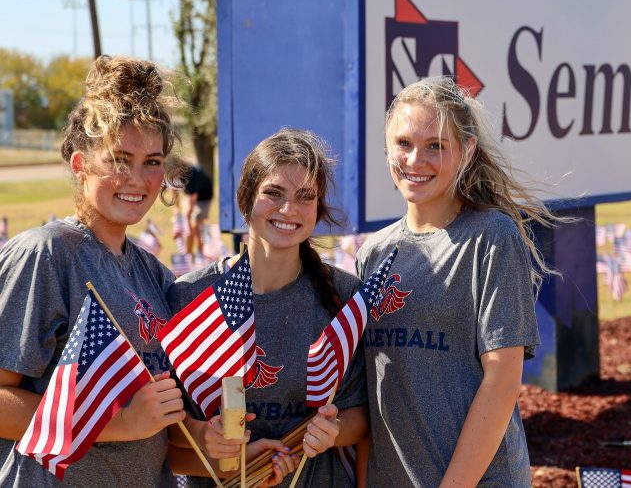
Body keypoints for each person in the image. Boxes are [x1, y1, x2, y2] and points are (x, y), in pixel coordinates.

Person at [356, 75, 558, 487]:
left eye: (436, 146)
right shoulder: (372, 255)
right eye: (404, 143)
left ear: (467, 152)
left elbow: (502, 383)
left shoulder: (493, 237)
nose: (415, 160)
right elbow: (367, 396)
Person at [0, 55, 187, 486]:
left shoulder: (154, 276)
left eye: (152, 162)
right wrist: (122, 423)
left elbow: (159, 421)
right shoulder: (46, 255)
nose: (137, 179)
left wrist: (213, 441)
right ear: (80, 165)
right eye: (119, 159)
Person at [168, 128, 368, 487]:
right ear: (246, 200)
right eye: (273, 193)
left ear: (318, 209)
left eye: (305, 197)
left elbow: (363, 413)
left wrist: (332, 431)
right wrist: (206, 436)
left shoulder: (344, 297)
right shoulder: (189, 297)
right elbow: (168, 427)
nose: (288, 209)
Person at [179, 160, 214, 257]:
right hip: (192, 196)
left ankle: (201, 249)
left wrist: (188, 215)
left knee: (195, 224)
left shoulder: (193, 175)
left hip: (203, 199)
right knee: (188, 225)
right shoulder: (179, 174)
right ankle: (189, 252)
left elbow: (193, 197)